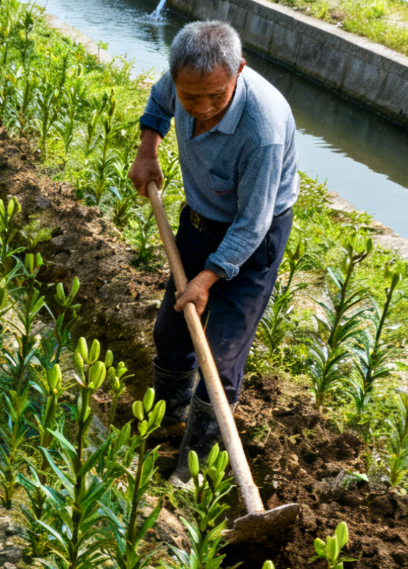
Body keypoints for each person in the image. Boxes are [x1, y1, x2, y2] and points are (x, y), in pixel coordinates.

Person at [128, 20, 298, 478]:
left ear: (238, 71)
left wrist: (208, 278)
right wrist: (149, 149)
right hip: (199, 221)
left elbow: (254, 222)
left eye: (215, 97)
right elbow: (159, 103)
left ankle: (192, 470)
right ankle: (166, 420)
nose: (202, 110)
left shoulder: (263, 130)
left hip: (254, 238)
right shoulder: (182, 79)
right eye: (191, 98)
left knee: (219, 360)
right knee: (171, 332)